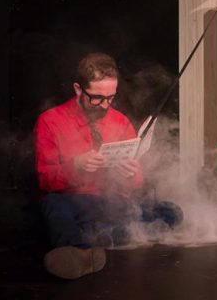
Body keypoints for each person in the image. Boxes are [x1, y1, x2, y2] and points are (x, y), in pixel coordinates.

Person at [35, 52, 182, 279]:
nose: (104, 105)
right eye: (97, 98)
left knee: (171, 210)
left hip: (115, 203)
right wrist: (76, 165)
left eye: (110, 98)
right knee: (53, 205)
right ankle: (82, 253)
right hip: (77, 203)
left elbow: (136, 183)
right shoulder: (51, 120)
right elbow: (45, 179)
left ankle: (103, 237)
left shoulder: (120, 121)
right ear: (77, 89)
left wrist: (131, 173)